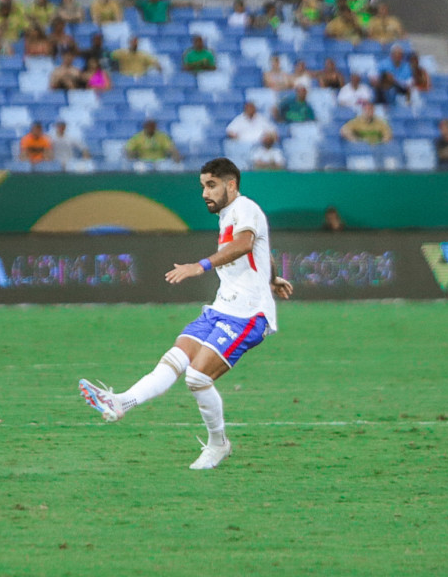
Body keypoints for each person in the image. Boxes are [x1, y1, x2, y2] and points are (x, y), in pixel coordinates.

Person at [78, 157, 293, 470]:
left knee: (197, 376)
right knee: (174, 359)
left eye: (211, 185)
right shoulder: (229, 215)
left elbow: (246, 244)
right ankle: (121, 401)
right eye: (202, 186)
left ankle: (219, 444)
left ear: (231, 185)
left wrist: (201, 265)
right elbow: (260, 245)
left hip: (248, 316)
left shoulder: (245, 207)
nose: (205, 193)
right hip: (221, 307)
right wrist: (272, 277)